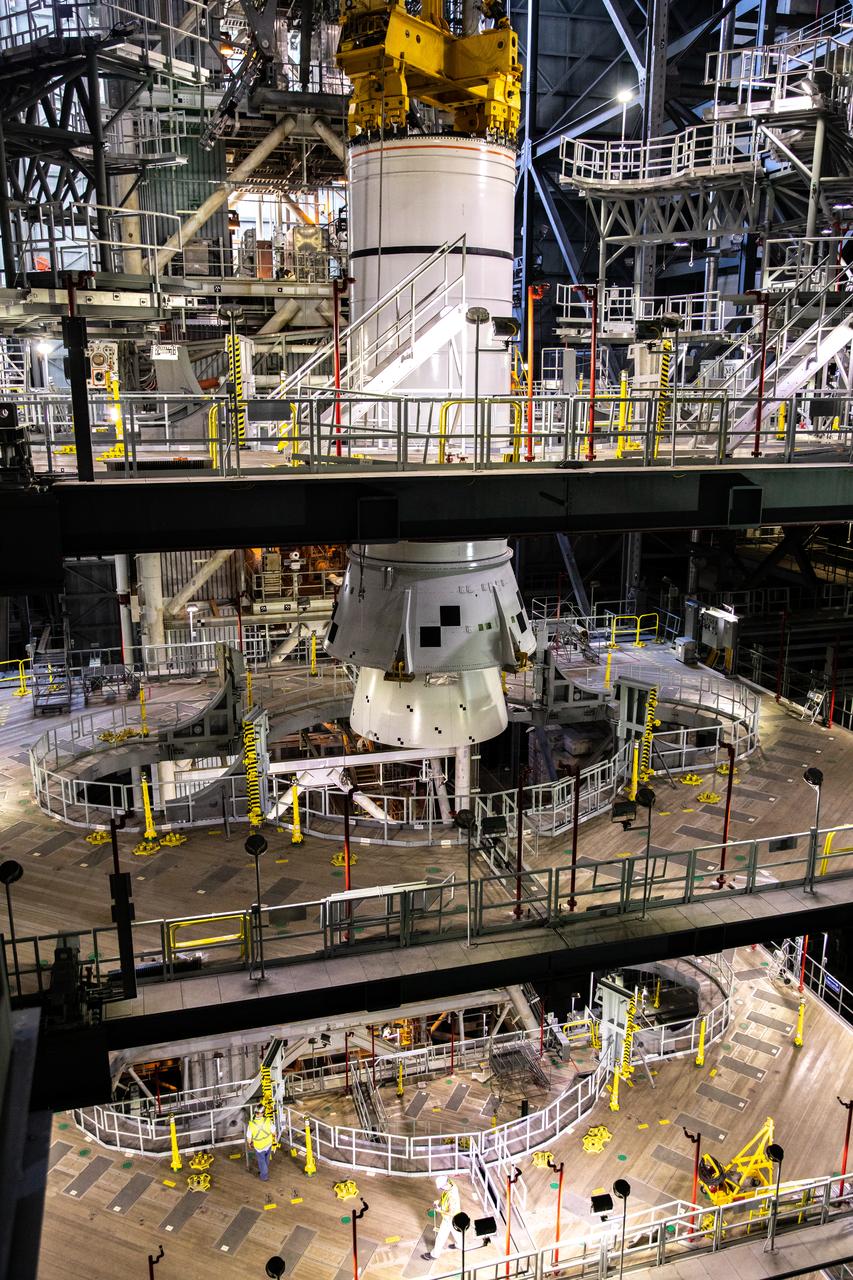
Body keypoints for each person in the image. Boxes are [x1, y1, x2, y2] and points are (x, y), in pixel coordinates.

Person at [422, 1174, 462, 1260]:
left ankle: (434, 1255)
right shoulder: (451, 1184)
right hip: (456, 1218)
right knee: (456, 1233)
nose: (441, 1189)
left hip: (449, 1219)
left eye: (441, 1188)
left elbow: (451, 1212)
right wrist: (439, 1200)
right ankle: (460, 1245)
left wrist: (439, 1211)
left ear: (445, 1185)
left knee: (440, 1237)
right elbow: (445, 1195)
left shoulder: (452, 1197)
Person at [246, 1104, 275, 1181]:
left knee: (262, 1161)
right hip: (268, 1144)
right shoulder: (268, 1120)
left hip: (259, 1147)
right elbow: (274, 1132)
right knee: (266, 1160)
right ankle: (263, 1170)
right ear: (263, 1113)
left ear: (255, 1113)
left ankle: (264, 1176)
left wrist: (250, 1144)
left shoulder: (251, 1124)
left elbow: (249, 1137)